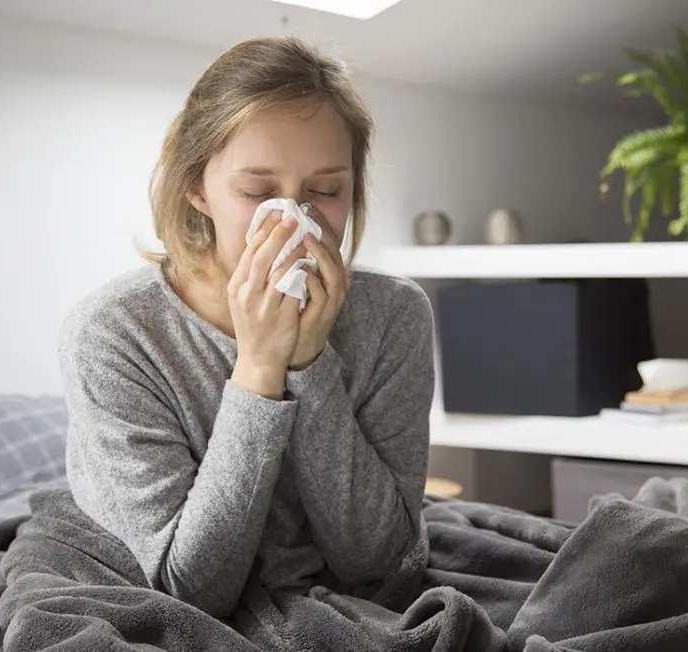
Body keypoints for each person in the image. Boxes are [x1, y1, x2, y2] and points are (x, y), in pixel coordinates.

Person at [58, 36, 435, 619]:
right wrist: (260, 368)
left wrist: (310, 365)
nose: (296, 219)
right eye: (257, 191)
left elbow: (381, 565)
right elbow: (192, 590)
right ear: (196, 187)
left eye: (326, 190)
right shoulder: (114, 334)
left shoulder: (394, 314)